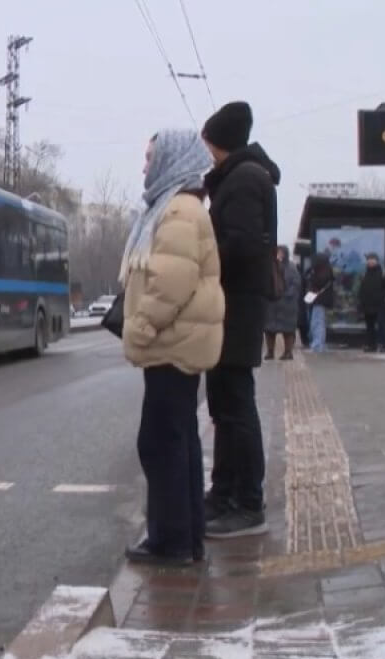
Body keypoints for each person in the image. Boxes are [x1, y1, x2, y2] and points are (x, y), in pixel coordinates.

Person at [120, 129, 223, 567]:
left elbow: (171, 283)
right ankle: (186, 536)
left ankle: (171, 541)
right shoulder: (179, 206)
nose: (145, 166)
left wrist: (140, 327)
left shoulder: (177, 210)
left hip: (171, 343)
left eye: (150, 157)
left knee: (159, 442)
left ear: (172, 160)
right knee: (176, 440)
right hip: (181, 343)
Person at [199, 101, 280, 539]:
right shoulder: (239, 177)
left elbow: (242, 245)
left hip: (237, 307)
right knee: (225, 407)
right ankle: (224, 493)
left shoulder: (245, 179)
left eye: (208, 142)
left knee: (236, 407)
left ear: (220, 141)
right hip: (232, 306)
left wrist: (203, 259)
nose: (204, 151)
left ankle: (247, 502)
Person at [264, 246, 301, 360]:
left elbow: (296, 284)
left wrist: (286, 295)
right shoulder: (270, 267)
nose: (279, 255)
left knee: (288, 330)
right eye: (277, 252)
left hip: (287, 306)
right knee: (269, 330)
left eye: (281, 252)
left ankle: (288, 352)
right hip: (272, 305)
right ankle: (270, 352)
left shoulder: (291, 267)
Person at [358, 253, 385, 352]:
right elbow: (361, 288)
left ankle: (384, 345)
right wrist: (361, 300)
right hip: (367, 304)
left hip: (379, 304)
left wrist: (381, 296)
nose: (370, 261)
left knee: (381, 324)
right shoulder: (364, 273)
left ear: (377, 261)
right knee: (369, 326)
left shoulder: (382, 272)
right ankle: (371, 345)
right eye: (369, 259)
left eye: (372, 259)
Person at [306, 253, 336, 352]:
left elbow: (317, 282)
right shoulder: (326, 270)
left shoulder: (322, 272)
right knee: (318, 322)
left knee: (318, 322)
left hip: (320, 300)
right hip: (320, 300)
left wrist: (312, 275)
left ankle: (317, 345)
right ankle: (318, 344)